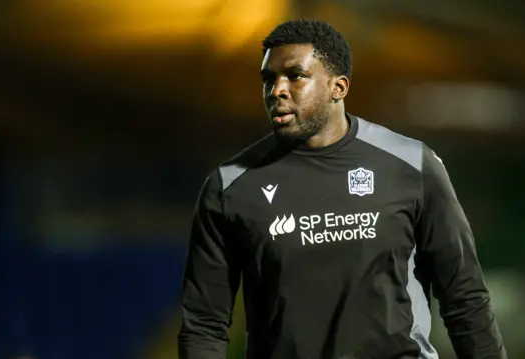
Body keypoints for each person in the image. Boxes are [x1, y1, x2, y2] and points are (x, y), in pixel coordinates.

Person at [178, 19, 507, 359]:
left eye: (295, 76)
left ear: (339, 87)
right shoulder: (230, 186)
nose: (277, 89)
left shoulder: (412, 165)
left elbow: (464, 297)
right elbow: (205, 324)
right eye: (269, 78)